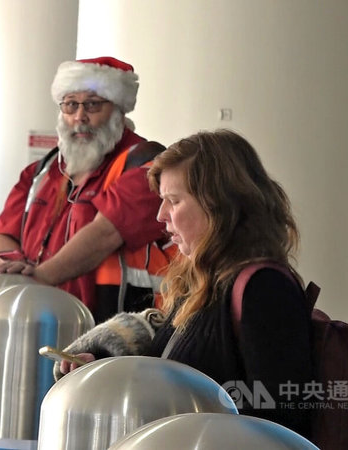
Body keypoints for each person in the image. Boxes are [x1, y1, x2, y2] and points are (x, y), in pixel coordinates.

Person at [56, 130, 314, 438]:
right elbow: (169, 366)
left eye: (173, 201)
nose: (161, 215)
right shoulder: (202, 278)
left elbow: (283, 411)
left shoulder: (264, 288)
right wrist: (105, 363)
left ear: (219, 206)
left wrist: (195, 413)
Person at [0, 56, 173, 323]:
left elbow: (104, 234)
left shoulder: (147, 164)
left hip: (110, 333)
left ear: (119, 110)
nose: (79, 117)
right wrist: (13, 267)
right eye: (70, 105)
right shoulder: (42, 170)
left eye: (93, 105)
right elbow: (1, 235)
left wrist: (35, 279)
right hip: (38, 318)